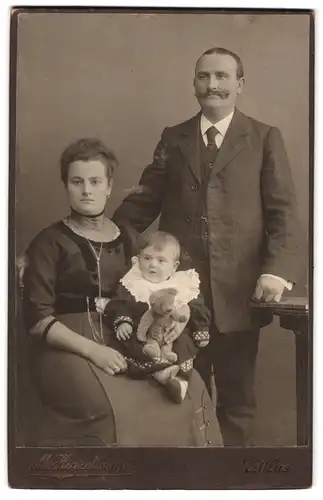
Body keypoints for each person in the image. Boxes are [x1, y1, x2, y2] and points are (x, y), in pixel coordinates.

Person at [113, 47, 300, 446]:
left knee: (236, 399)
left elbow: (283, 211)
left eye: (221, 76)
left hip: (237, 292)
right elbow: (143, 200)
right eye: (203, 77)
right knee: (178, 389)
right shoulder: (174, 138)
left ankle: (230, 480)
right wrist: (106, 242)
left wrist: (275, 271)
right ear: (194, 83)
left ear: (240, 85)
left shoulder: (264, 138)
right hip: (178, 296)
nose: (212, 85)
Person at [22, 137, 223, 447]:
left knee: (191, 385)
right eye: (77, 181)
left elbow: (158, 290)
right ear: (66, 186)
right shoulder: (48, 242)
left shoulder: (131, 240)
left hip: (129, 337)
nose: (87, 190)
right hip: (69, 344)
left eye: (95, 181)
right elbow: (37, 318)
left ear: (109, 186)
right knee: (104, 405)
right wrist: (94, 351)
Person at [105, 230, 211, 403]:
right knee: (129, 340)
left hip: (172, 335)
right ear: (138, 258)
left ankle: (180, 375)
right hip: (145, 334)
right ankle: (161, 371)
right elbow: (119, 304)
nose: (152, 265)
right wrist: (123, 321)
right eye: (147, 258)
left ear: (174, 266)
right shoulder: (133, 282)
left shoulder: (182, 283)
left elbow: (196, 307)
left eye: (161, 260)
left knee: (185, 342)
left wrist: (201, 328)